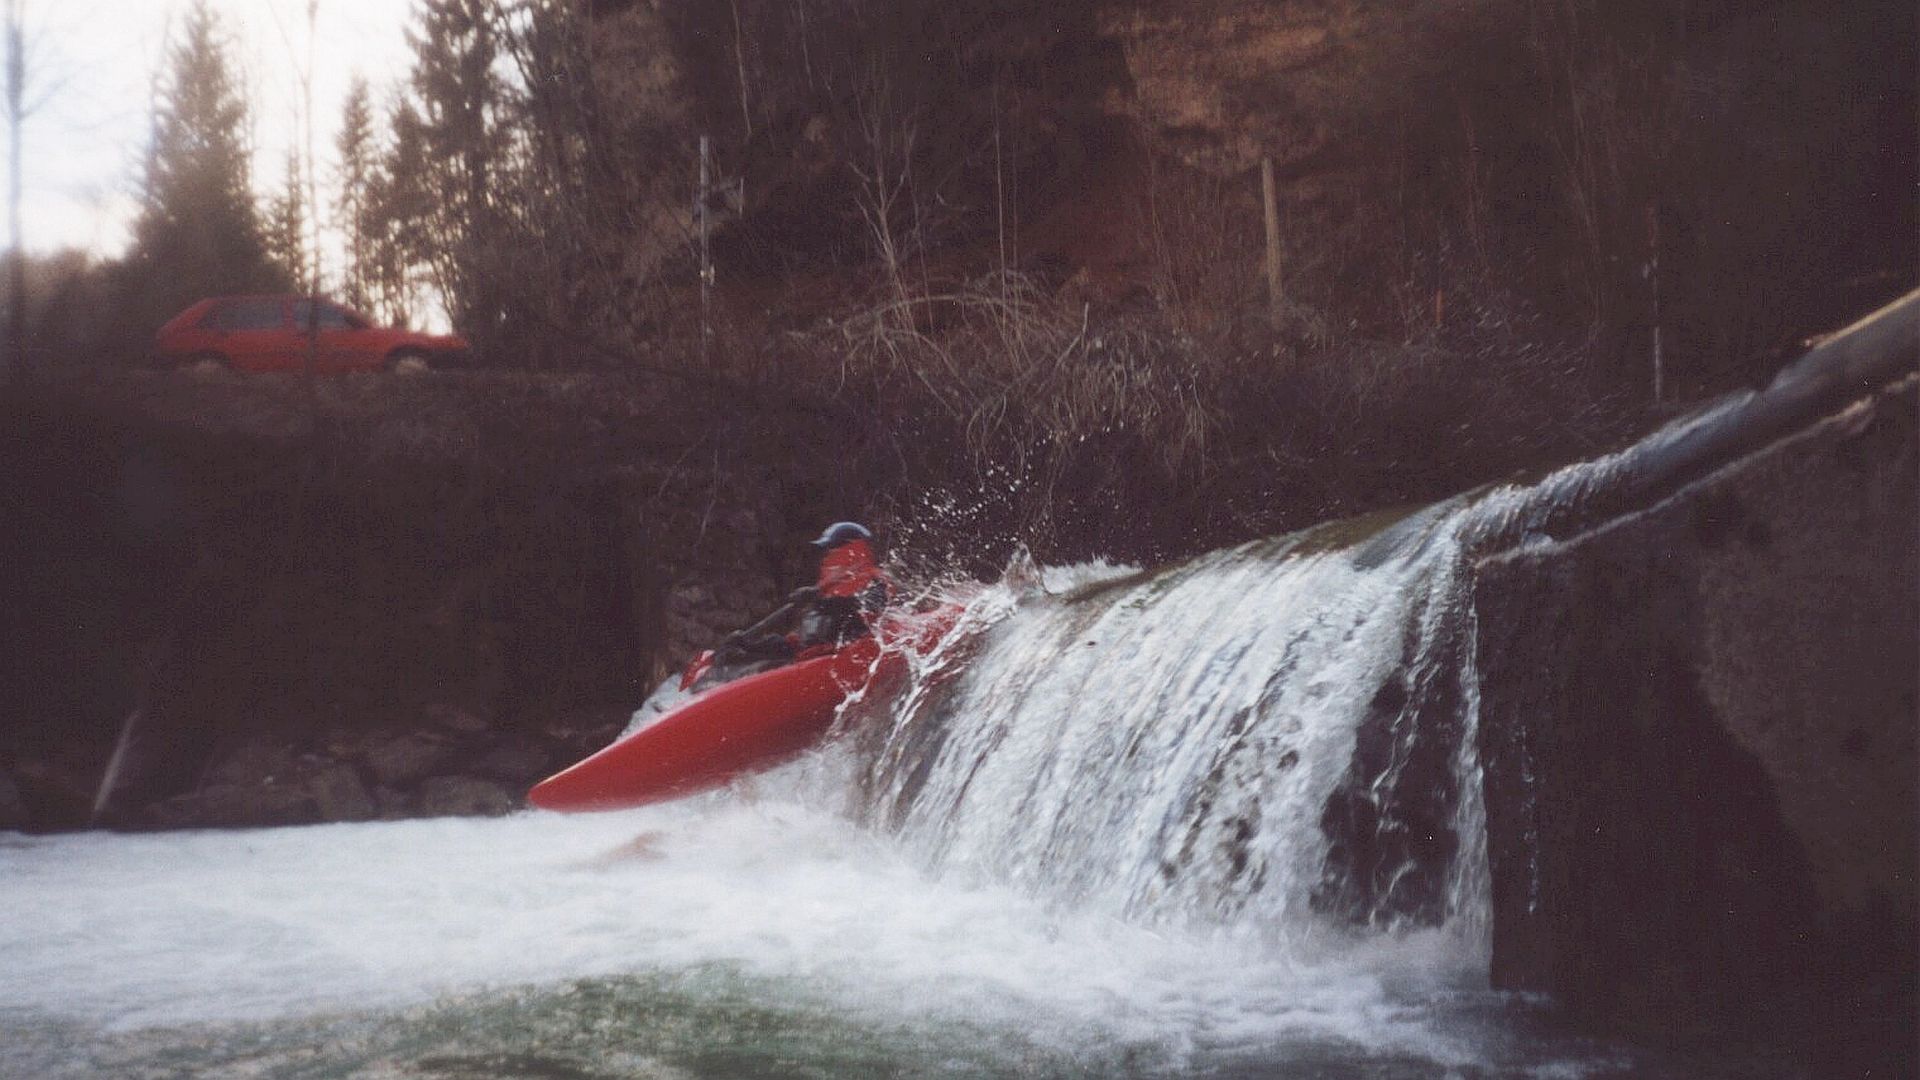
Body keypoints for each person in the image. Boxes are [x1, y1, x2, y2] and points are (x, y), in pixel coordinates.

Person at [700, 522, 894, 686]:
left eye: (830, 550)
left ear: (850, 549)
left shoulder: (874, 580)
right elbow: (797, 645)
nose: (826, 556)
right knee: (764, 660)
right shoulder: (824, 596)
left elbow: (870, 611)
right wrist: (747, 648)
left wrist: (825, 601)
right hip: (820, 668)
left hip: (854, 660)